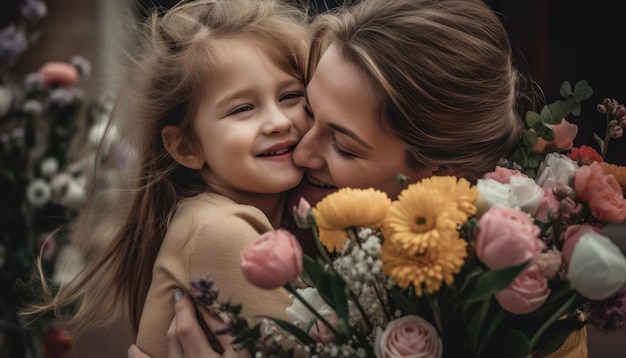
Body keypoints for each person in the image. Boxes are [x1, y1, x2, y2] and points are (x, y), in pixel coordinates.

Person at [130, 0, 588, 356]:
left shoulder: (522, 312)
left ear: (438, 176)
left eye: (344, 146)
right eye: (310, 108)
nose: (299, 146)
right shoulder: (240, 226)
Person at [23, 0, 311, 357]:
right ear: (186, 147)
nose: (279, 121)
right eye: (242, 108)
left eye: (290, 96)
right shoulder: (219, 231)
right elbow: (321, 346)